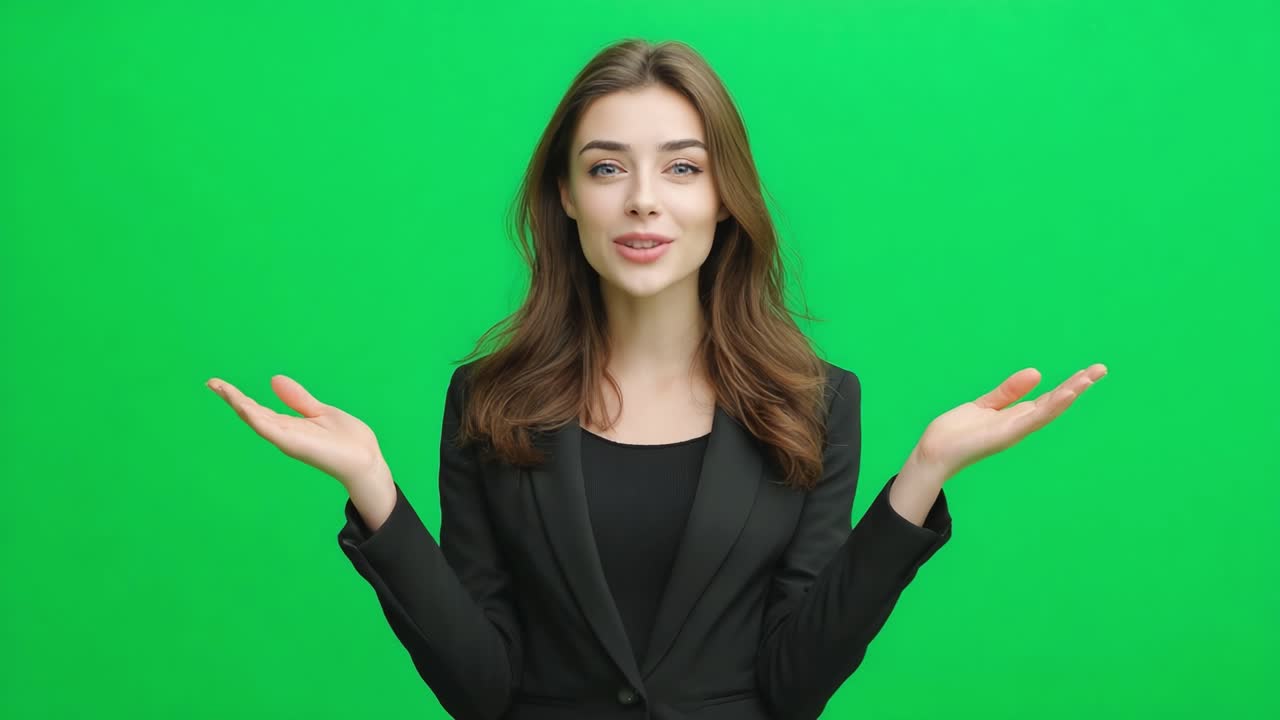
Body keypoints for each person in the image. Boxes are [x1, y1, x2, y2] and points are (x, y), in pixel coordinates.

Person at [206, 38, 1107, 720]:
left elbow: (793, 688)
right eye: (607, 169)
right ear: (565, 196)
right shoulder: (490, 400)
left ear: (726, 198)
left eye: (683, 168)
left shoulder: (817, 403)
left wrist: (922, 478)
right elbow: (483, 689)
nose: (644, 199)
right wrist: (373, 488)